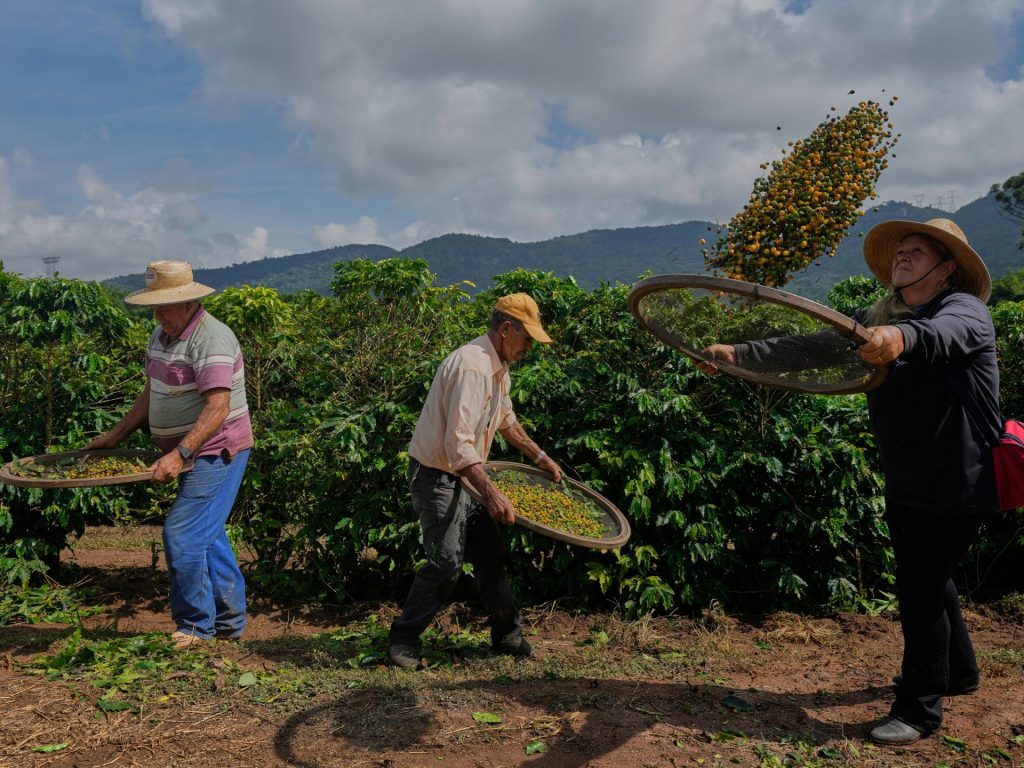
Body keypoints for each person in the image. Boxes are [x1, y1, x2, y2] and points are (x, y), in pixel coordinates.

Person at [698, 219, 999, 746]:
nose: (902, 258)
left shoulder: (962, 311)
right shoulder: (880, 315)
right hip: (908, 475)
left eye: (917, 252)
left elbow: (936, 337)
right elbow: (814, 346)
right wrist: (739, 353)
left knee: (920, 587)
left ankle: (920, 710)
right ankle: (961, 674)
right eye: (900, 251)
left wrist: (896, 338)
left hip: (959, 478)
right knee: (930, 574)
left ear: (946, 267)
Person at [388, 293, 563, 669]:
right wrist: (493, 494)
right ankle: (403, 639)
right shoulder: (473, 367)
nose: (529, 347)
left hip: (467, 474)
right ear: (505, 330)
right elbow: (458, 446)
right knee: (446, 562)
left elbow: (507, 421)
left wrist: (541, 457)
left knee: (491, 555)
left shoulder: (498, 368)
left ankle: (507, 634)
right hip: (438, 475)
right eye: (527, 338)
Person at [84, 260, 254, 650]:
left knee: (182, 534)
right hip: (192, 451)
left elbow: (217, 409)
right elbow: (151, 395)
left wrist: (179, 454)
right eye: (153, 307)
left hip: (216, 450)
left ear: (189, 302)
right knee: (206, 535)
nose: (158, 314)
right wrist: (115, 435)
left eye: (164, 306)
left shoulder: (211, 338)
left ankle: (195, 627)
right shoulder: (161, 336)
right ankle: (229, 623)